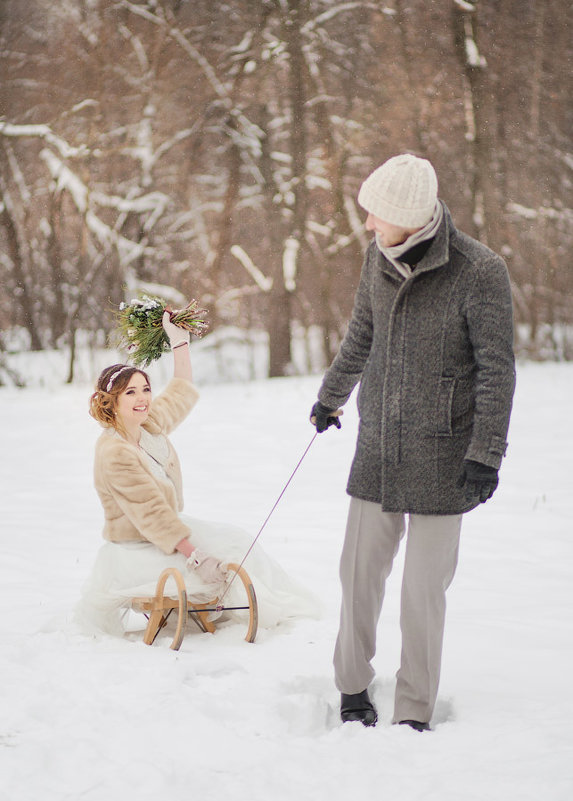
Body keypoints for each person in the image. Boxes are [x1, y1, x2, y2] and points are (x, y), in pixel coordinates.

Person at [310, 154, 515, 731]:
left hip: (445, 453)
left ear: (406, 215)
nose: (368, 225)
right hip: (378, 444)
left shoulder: (479, 270)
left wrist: (485, 454)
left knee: (423, 593)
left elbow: (496, 370)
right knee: (357, 575)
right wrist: (331, 397)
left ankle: (415, 711)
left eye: (376, 214)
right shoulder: (376, 258)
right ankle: (352, 688)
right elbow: (361, 335)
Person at [76, 311, 316, 637]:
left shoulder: (146, 426)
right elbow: (152, 514)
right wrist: (196, 557)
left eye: (145, 389)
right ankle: (254, 612)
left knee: (237, 539)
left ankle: (280, 605)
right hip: (137, 550)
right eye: (130, 393)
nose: (142, 398)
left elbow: (180, 391)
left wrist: (179, 342)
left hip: (164, 536)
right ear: (111, 402)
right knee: (220, 553)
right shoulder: (114, 452)